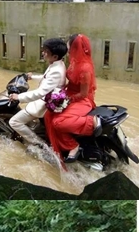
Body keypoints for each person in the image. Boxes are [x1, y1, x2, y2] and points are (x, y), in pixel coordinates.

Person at [44, 34, 104, 164]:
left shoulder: (85, 68)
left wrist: (66, 99)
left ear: (74, 46)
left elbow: (83, 94)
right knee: (49, 116)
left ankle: (89, 124)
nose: (67, 46)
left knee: (58, 122)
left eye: (69, 44)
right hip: (68, 94)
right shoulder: (74, 61)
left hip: (82, 100)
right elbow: (69, 82)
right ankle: (60, 147)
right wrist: (58, 93)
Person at [8, 38, 67, 147]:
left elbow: (40, 92)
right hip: (47, 99)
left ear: (54, 56)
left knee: (14, 122)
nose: (43, 53)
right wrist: (32, 77)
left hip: (43, 104)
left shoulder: (56, 71)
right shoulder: (57, 64)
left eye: (46, 52)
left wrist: (18, 97)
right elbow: (46, 78)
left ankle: (38, 143)